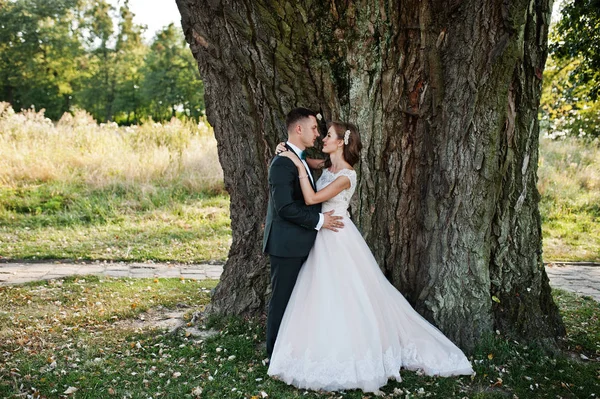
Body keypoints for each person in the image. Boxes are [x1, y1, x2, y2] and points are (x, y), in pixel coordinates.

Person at [267, 121, 474, 393]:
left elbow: (311, 198)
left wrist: (296, 164)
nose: (323, 138)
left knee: (350, 294)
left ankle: (354, 351)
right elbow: (314, 163)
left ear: (341, 142)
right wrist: (294, 156)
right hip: (323, 235)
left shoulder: (346, 176)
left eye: (328, 135)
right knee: (320, 293)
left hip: (338, 236)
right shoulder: (327, 167)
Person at [262, 107, 345, 359]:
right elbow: (285, 208)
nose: (317, 135)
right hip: (286, 245)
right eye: (313, 129)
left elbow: (320, 165)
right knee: (282, 300)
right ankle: (275, 353)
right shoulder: (282, 163)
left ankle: (294, 349)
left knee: (299, 302)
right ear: (298, 129)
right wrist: (320, 220)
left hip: (301, 243)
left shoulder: (298, 158)